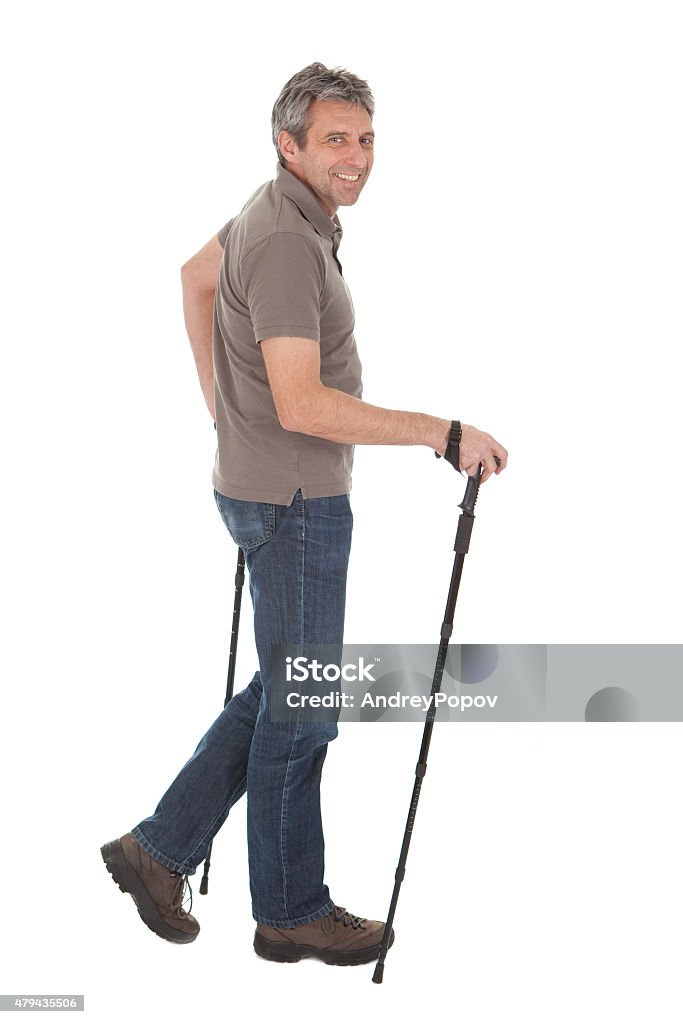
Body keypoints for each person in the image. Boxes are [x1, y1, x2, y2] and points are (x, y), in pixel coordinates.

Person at [101, 62, 508, 966]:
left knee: (286, 687)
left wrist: (222, 410)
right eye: (335, 139)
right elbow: (303, 405)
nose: (355, 157)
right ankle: (288, 909)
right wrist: (442, 433)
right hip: (295, 499)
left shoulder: (272, 207)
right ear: (289, 144)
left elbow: (194, 279)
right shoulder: (286, 239)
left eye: (364, 139)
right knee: (305, 706)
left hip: (261, 484)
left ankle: (156, 850)